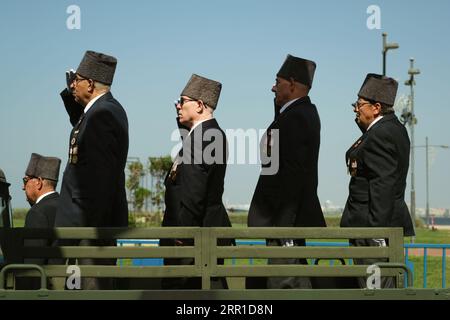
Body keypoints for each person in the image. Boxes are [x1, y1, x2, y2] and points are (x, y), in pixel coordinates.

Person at [247, 54, 326, 289]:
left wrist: (283, 225)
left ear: (292, 84)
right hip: (282, 219)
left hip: (284, 220)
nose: (273, 88)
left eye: (278, 82)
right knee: (292, 278)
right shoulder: (293, 115)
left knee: (284, 283)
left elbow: (294, 175)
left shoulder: (298, 117)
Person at [56, 50, 129, 289]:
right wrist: (70, 94)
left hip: (88, 230)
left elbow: (100, 179)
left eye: (76, 81)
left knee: (89, 292)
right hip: (85, 230)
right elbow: (81, 123)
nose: (72, 85)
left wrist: (88, 232)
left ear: (89, 83)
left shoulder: (103, 114)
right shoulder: (100, 111)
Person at [340, 73, 415, 288]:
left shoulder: (381, 134)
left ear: (376, 108)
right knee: (378, 289)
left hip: (371, 228)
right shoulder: (389, 129)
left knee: (375, 290)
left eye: (359, 104)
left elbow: (383, 187)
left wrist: (376, 234)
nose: (355, 108)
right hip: (373, 226)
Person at [161, 74, 232, 289]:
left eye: (182, 101)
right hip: (200, 235)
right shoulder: (206, 134)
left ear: (200, 105)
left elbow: (193, 193)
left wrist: (184, 235)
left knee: (187, 294)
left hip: (191, 238)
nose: (177, 105)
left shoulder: (203, 137)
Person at [16, 153, 61, 289]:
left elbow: (32, 268)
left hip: (47, 289)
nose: (23, 187)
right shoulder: (65, 207)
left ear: (39, 182)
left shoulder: (37, 212)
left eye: (26, 180)